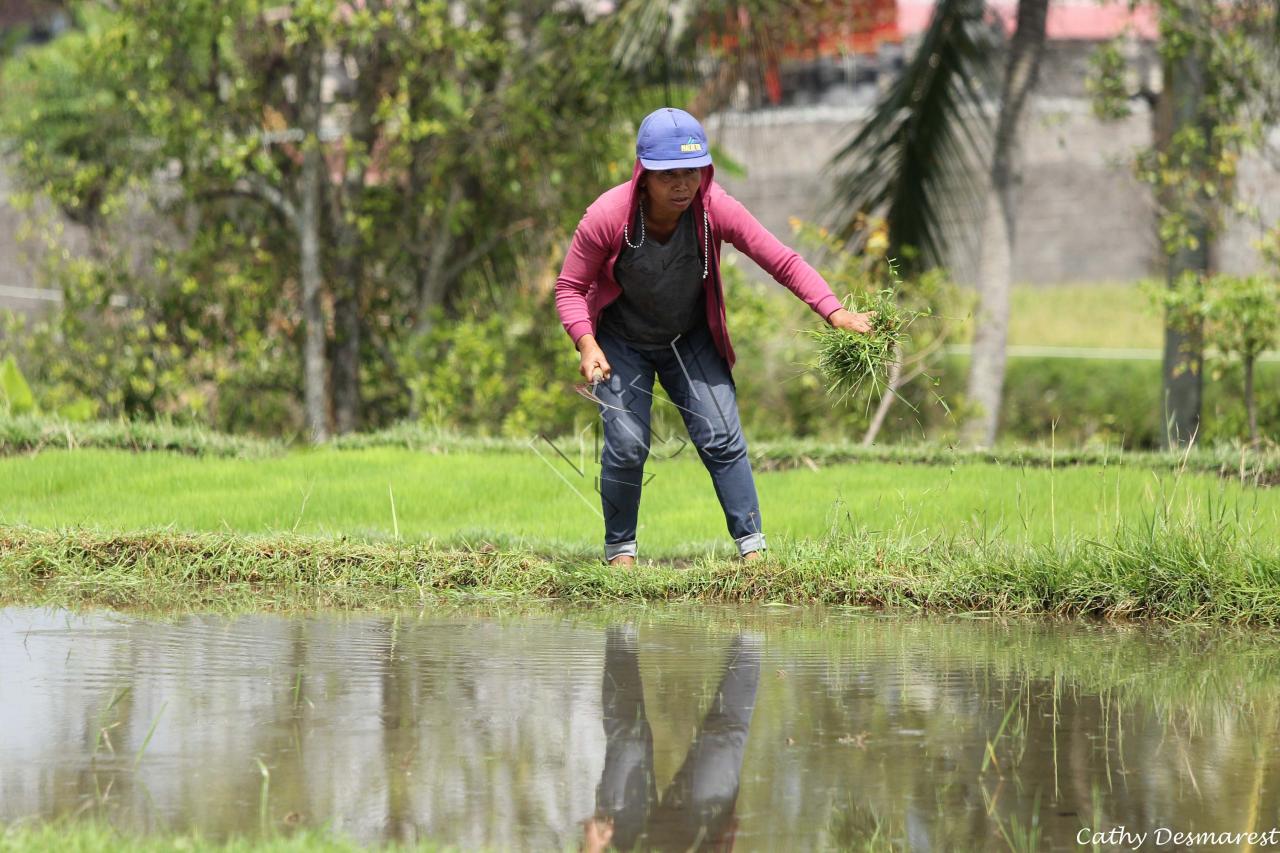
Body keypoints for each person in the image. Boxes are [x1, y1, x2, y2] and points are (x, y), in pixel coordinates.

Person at [554, 107, 875, 567]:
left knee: (722, 438)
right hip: (621, 342)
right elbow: (569, 288)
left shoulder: (714, 209)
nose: (683, 185)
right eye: (669, 176)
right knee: (626, 445)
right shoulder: (607, 217)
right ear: (643, 175)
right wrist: (587, 342)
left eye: (692, 172)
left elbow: (781, 260)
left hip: (689, 338)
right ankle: (620, 554)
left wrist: (834, 311)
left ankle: (753, 553)